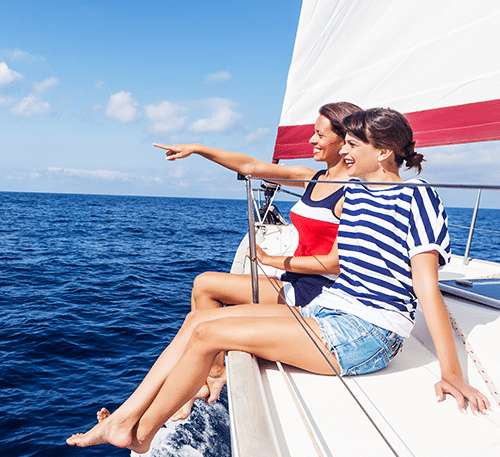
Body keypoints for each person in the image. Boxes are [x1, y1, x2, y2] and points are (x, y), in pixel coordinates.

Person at [67, 107, 491, 454]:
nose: (344, 151)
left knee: (209, 334)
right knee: (198, 321)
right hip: (329, 310)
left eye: (352, 144)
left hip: (370, 333)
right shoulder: (358, 192)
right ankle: (125, 419)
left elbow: (426, 287)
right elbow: (339, 259)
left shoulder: (417, 198)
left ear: (383, 153)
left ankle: (139, 437)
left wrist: (452, 372)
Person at [152, 101, 361, 420]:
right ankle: (215, 373)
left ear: (345, 139)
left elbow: (338, 263)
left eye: (319, 134)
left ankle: (199, 381)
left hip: (318, 293)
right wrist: (197, 148)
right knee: (203, 284)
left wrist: (273, 259)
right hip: (295, 283)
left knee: (207, 313)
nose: (311, 141)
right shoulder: (312, 178)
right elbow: (249, 166)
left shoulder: (352, 193)